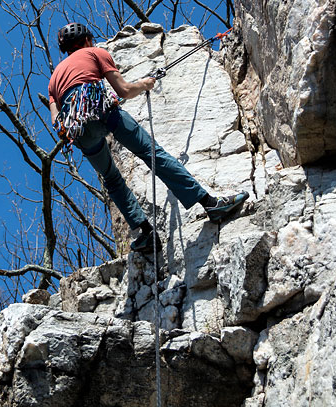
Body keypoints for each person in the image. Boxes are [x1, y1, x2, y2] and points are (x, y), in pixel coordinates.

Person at [48, 22, 249, 253]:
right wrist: (144, 85)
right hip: (103, 111)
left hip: (79, 130)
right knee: (151, 153)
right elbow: (123, 90)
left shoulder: (53, 80)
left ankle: (145, 233)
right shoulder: (95, 52)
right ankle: (210, 204)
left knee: (111, 179)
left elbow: (57, 121)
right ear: (86, 41)